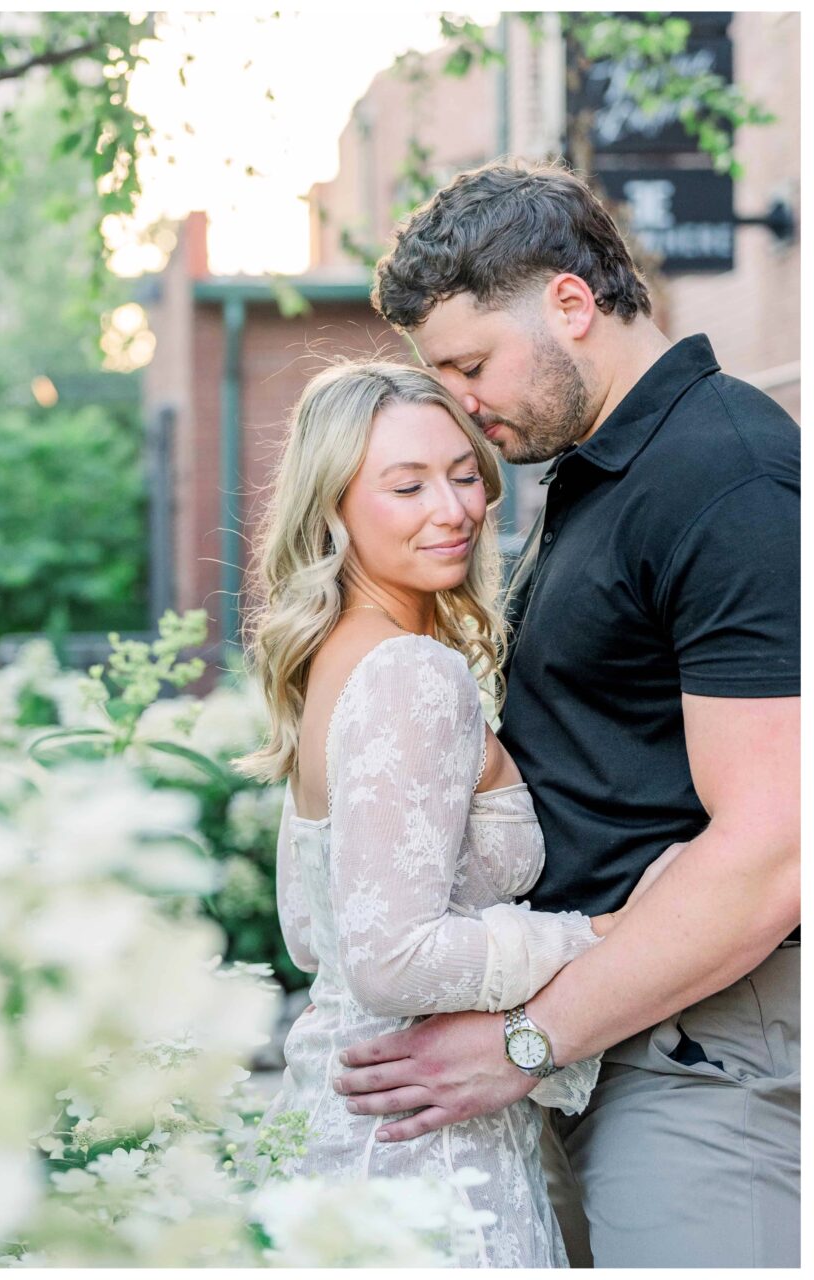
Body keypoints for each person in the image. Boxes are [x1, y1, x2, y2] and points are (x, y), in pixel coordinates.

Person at [338, 160, 799, 1268]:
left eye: (470, 362)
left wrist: (530, 1039)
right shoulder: (602, 476)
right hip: (613, 1031)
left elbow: (776, 845)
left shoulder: (724, 478)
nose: (465, 399)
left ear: (569, 303)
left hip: (699, 1054)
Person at [237, 361, 692, 1265]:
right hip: (423, 1145)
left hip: (363, 1121)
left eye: (464, 473)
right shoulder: (411, 673)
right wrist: (608, 933)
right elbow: (390, 959)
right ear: (334, 509)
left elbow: (314, 932)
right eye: (406, 486)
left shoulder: (342, 658)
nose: (454, 508)